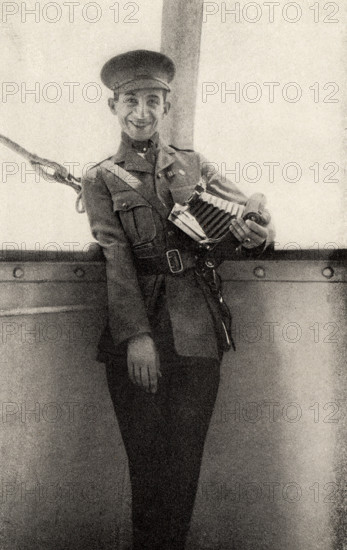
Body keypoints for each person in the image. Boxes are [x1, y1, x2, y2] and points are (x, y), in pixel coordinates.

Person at [82, 49, 274, 550]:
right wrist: (137, 337)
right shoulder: (100, 177)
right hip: (138, 336)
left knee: (184, 465)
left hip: (197, 334)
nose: (140, 112)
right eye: (130, 100)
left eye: (151, 100)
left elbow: (249, 215)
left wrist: (258, 232)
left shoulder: (195, 164)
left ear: (165, 106)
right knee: (146, 468)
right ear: (113, 106)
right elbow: (116, 256)